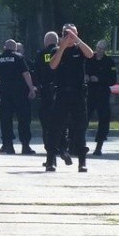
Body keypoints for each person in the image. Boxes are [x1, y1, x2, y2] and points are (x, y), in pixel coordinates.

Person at [45, 24, 94, 172]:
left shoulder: (80, 49)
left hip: (78, 94)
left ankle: (82, 161)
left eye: (72, 33)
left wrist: (77, 40)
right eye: (67, 33)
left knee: (80, 128)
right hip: (62, 94)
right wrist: (62, 47)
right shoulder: (56, 50)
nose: (70, 36)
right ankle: (50, 160)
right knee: (55, 128)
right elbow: (52, 65)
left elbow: (90, 54)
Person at [0, 39, 36, 155]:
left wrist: (0, 85)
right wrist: (31, 88)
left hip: (5, 94)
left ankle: (9, 146)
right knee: (24, 119)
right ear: (15, 48)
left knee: (6, 120)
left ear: (4, 47)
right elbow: (26, 74)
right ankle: (25, 146)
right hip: (20, 93)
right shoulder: (19, 57)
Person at [34, 32, 73, 167]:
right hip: (60, 92)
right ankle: (63, 149)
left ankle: (51, 157)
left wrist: (37, 87)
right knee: (62, 124)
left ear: (46, 41)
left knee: (47, 127)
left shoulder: (41, 54)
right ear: (57, 41)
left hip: (46, 94)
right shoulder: (62, 53)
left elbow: (36, 74)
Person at [86, 39, 117, 156]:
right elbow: (82, 70)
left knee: (104, 120)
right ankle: (77, 144)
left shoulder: (109, 62)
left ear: (105, 50)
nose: (99, 51)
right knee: (83, 118)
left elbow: (113, 80)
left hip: (102, 94)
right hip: (89, 93)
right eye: (98, 48)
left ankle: (99, 146)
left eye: (101, 49)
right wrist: (86, 77)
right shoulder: (89, 59)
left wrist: (99, 79)